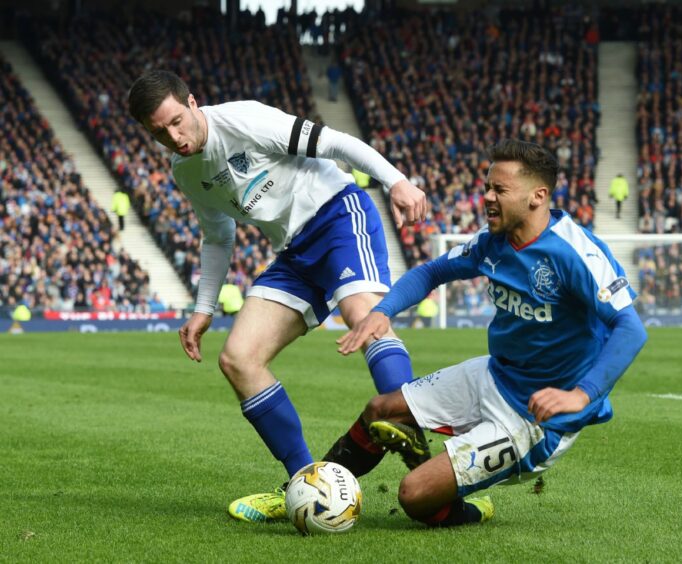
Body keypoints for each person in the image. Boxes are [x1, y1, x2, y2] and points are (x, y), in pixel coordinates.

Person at [127, 70, 428, 522]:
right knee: (238, 358)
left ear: (191, 102)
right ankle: (307, 486)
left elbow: (335, 142)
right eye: (159, 134)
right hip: (293, 252)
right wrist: (203, 308)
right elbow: (217, 236)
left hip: (337, 216)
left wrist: (396, 181)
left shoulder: (243, 119)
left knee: (362, 317)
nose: (174, 138)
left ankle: (426, 460)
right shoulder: (186, 171)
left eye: (175, 122)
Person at [323, 139, 647, 527]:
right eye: (487, 187)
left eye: (500, 190)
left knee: (414, 496)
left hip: (534, 418)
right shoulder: (493, 240)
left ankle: (472, 508)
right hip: (494, 374)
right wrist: (382, 311)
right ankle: (311, 488)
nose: (487, 198)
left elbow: (630, 327)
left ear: (537, 196)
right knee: (380, 409)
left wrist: (581, 394)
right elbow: (432, 271)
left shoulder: (576, 254)